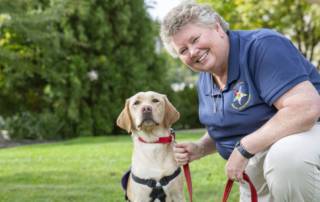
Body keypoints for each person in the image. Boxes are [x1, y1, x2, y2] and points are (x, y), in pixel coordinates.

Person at [160, 1, 320, 202]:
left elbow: (305, 108)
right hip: (254, 178)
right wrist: (200, 147)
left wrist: (244, 148)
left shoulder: (262, 46)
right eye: (183, 50)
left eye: (195, 39)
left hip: (307, 139)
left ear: (217, 27)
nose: (192, 52)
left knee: (287, 157)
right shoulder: (206, 77)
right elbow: (232, 125)